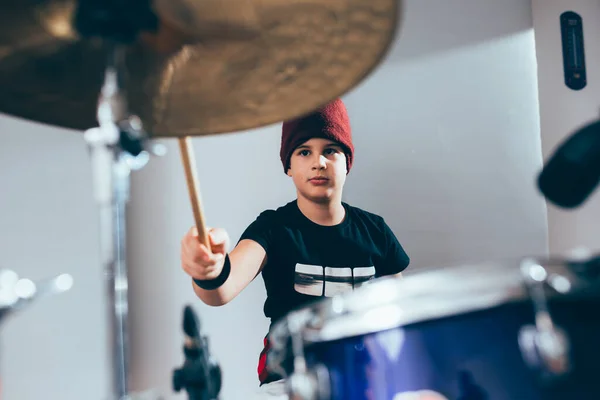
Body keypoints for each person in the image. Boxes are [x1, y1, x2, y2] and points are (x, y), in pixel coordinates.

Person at [180, 98, 410, 399]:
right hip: (288, 383)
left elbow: (401, 315)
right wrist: (210, 269)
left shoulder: (375, 231)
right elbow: (221, 289)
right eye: (304, 151)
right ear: (288, 165)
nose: (319, 162)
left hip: (362, 379)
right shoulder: (273, 228)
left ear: (347, 161)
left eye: (331, 150)